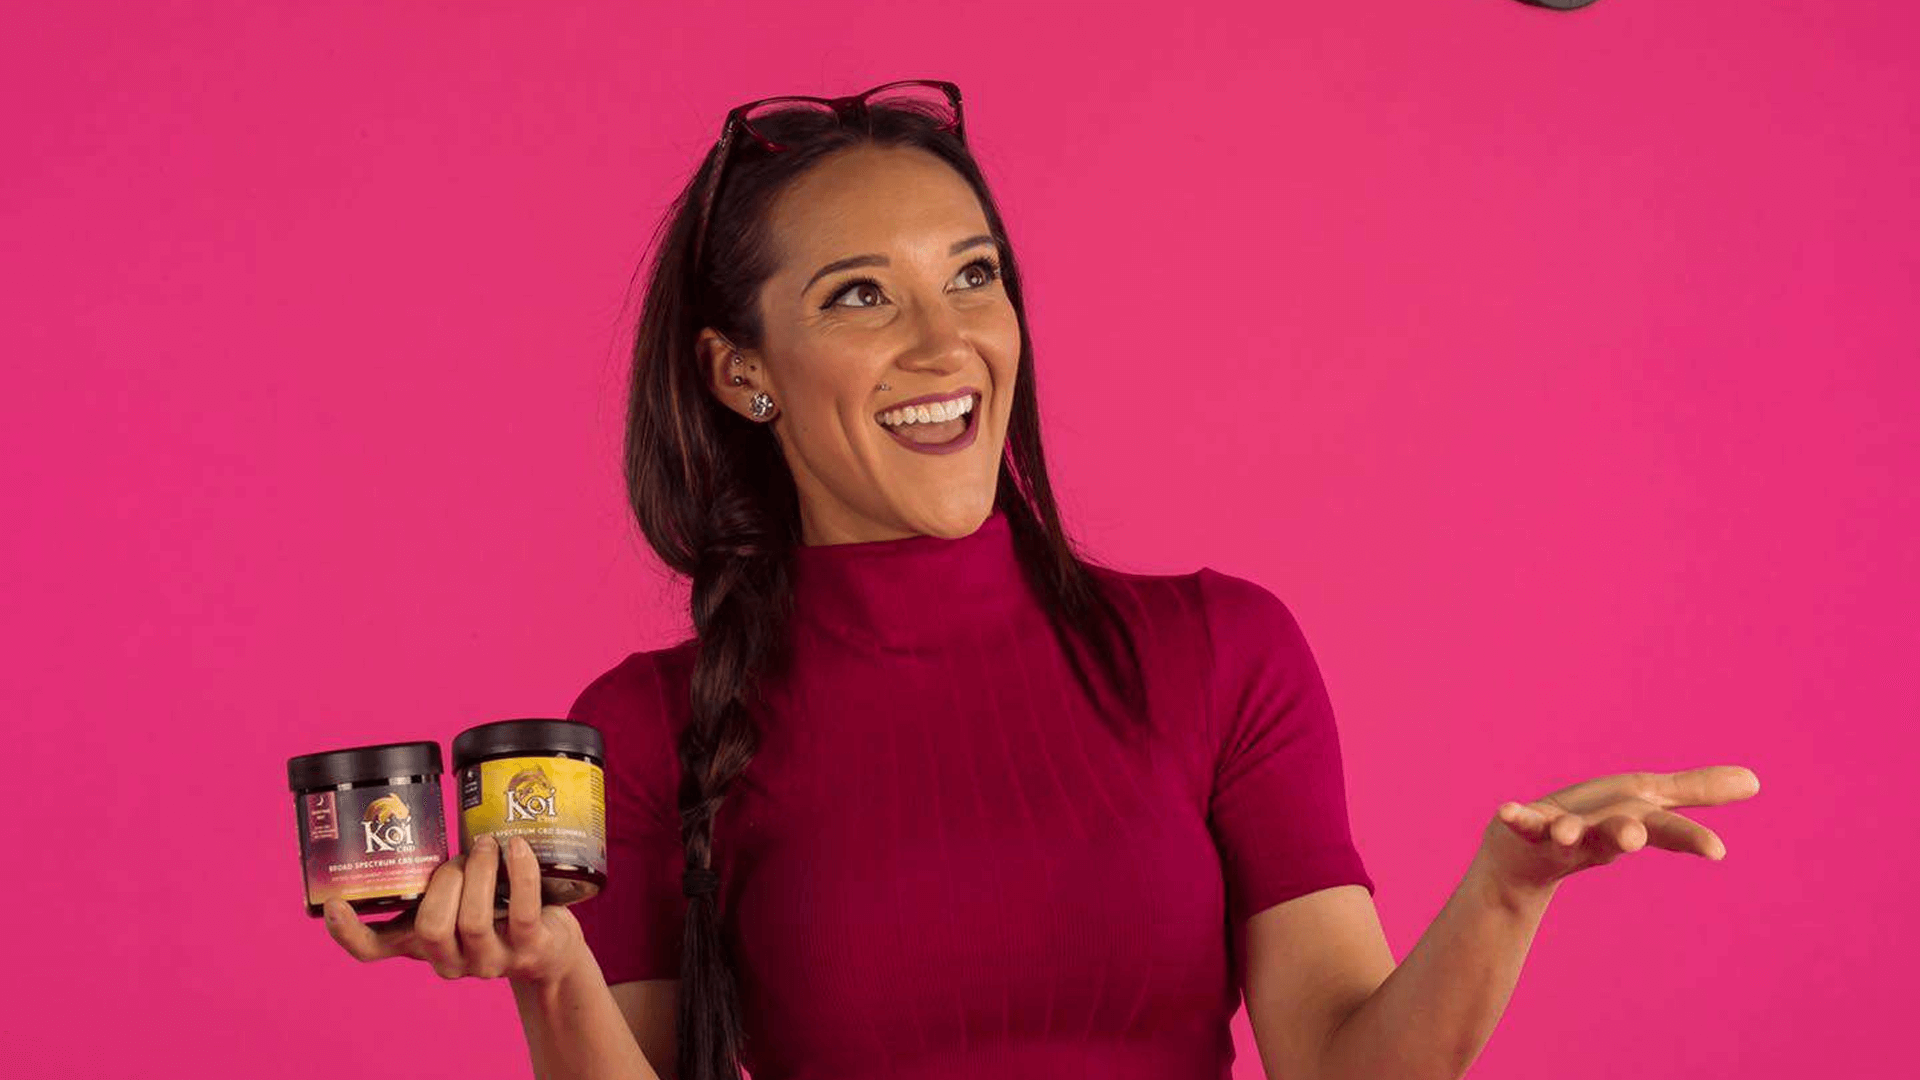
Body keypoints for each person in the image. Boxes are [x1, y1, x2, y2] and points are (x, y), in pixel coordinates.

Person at [322, 79, 1760, 1080]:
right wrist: (551, 974)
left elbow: (1343, 1063)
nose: (946, 342)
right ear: (741, 371)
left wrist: (1506, 893)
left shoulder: (1220, 650)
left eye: (975, 275)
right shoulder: (641, 730)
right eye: (860, 295)